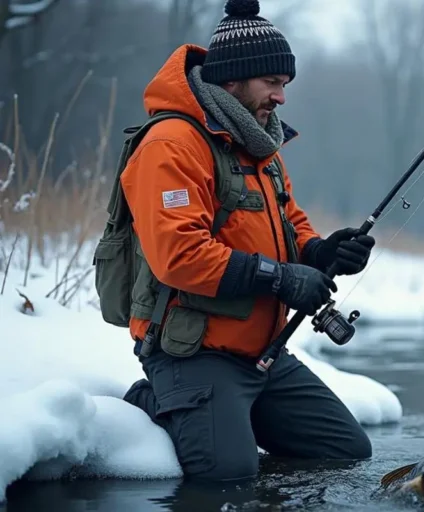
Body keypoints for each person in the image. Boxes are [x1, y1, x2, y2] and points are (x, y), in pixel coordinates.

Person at [119, 0, 376, 482]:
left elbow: (290, 223)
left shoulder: (260, 145)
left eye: (285, 85)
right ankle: (154, 400)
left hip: (263, 354)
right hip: (192, 352)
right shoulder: (171, 144)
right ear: (232, 81)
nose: (281, 98)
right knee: (226, 476)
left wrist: (322, 252)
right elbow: (179, 255)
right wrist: (280, 280)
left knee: (345, 451)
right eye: (272, 83)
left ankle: (227, 416)